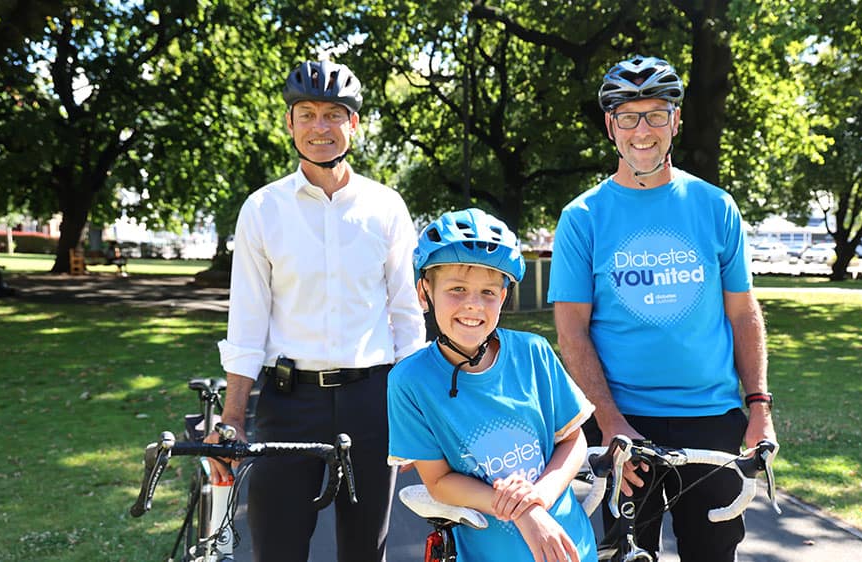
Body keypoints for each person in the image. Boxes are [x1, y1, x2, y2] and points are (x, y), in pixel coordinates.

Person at [547, 55, 777, 562]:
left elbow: (743, 313)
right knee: (621, 557)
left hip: (711, 418)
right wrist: (608, 421)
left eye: (656, 114)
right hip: (622, 420)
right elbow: (572, 333)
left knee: (714, 555)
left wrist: (759, 407)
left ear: (676, 120)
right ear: (611, 126)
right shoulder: (582, 217)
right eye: (628, 116)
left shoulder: (716, 206)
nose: (642, 130)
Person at [213, 60, 426, 562]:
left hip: (372, 400)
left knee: (364, 551)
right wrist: (233, 418)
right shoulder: (262, 209)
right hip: (289, 403)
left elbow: (407, 318)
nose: (319, 127)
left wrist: (419, 413)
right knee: (278, 549)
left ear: (354, 124)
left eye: (333, 114)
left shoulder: (386, 207)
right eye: (306, 114)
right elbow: (246, 320)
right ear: (289, 124)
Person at [387, 208, 597, 562]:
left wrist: (538, 499)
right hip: (489, 553)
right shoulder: (410, 382)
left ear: (502, 298)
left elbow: (574, 439)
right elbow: (438, 481)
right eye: (456, 289)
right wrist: (524, 513)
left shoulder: (534, 353)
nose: (473, 304)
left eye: (488, 291)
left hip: (568, 546)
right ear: (425, 292)